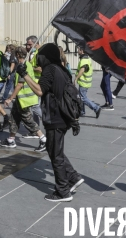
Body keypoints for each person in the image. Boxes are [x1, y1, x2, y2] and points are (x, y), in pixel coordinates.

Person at [16, 43, 84, 202]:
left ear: (45, 56)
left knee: (56, 155)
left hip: (55, 117)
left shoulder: (50, 69)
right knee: (53, 149)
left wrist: (25, 75)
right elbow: (51, 85)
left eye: (40, 55)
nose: (38, 58)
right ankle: (73, 177)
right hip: (64, 117)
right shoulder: (61, 69)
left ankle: (63, 191)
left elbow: (40, 90)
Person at [0, 46, 47, 152]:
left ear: (17, 55)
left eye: (14, 55)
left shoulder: (23, 65)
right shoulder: (26, 64)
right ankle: (11, 139)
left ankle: (43, 140)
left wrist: (10, 98)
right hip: (21, 99)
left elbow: (20, 84)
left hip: (24, 100)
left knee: (28, 120)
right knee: (14, 118)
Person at [75, 47, 101, 118]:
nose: (77, 51)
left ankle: (96, 108)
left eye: (78, 49)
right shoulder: (86, 58)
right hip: (85, 82)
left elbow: (82, 70)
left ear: (82, 50)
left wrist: (76, 78)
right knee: (82, 97)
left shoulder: (84, 60)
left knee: (82, 98)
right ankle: (82, 112)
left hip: (84, 82)